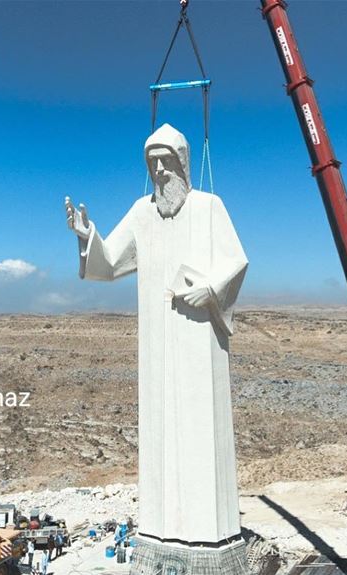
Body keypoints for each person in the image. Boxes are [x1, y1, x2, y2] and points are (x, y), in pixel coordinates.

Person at [64, 124, 248, 545]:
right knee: (159, 435)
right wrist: (87, 236)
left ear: (183, 162)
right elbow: (109, 263)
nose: (161, 170)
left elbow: (236, 260)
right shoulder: (142, 212)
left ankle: (208, 536)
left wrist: (212, 289)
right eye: (153, 163)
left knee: (202, 437)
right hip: (157, 344)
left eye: (167, 161)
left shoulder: (209, 207)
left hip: (199, 338)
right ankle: (158, 532)